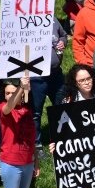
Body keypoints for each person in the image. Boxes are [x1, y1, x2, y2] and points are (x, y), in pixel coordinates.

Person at [30, 18, 66, 153]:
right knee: (35, 112)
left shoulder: (52, 18)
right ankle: (37, 146)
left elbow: (63, 35)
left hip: (56, 73)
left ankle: (63, 140)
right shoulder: (24, 23)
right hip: (36, 76)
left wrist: (63, 42)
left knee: (61, 107)